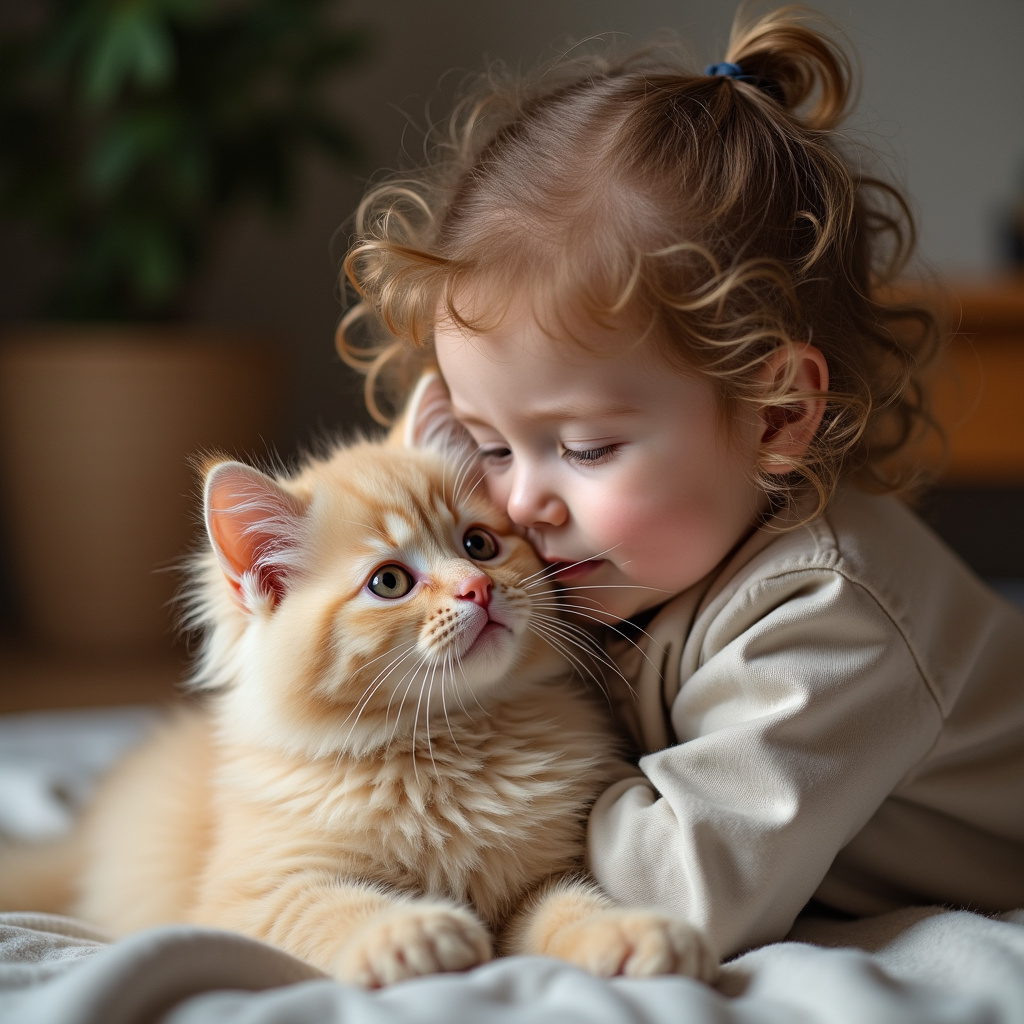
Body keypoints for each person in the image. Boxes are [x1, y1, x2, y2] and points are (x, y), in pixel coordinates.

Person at [337, 7, 1024, 961]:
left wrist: (482, 786)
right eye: (491, 445)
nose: (522, 503)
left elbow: (682, 892)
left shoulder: (830, 619)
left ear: (775, 418)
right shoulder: (622, 559)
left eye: (583, 449)